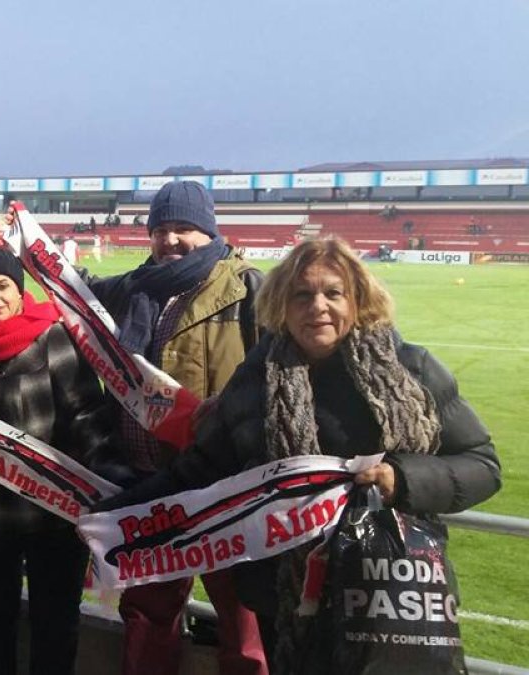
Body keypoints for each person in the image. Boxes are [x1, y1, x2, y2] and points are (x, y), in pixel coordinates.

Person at [95, 238, 501, 673]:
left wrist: (401, 479)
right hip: (282, 597)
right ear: (281, 306)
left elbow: (482, 464)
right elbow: (200, 469)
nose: (318, 307)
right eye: (302, 295)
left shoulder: (411, 371)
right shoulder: (254, 379)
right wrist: (112, 517)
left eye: (333, 293)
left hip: (387, 590)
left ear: (359, 299)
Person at [87, 180, 267, 675]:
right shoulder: (136, 287)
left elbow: (279, 378)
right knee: (147, 617)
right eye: (160, 229)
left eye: (183, 228)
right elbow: (74, 289)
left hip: (223, 489)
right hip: (150, 488)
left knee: (244, 622)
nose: (170, 240)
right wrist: (18, 239)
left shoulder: (249, 289)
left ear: (208, 231)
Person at [0, 241, 115, 675]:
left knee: (55, 626)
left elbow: (88, 415)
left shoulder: (53, 337)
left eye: (2, 286)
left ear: (19, 289)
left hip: (54, 517)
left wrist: (108, 480)